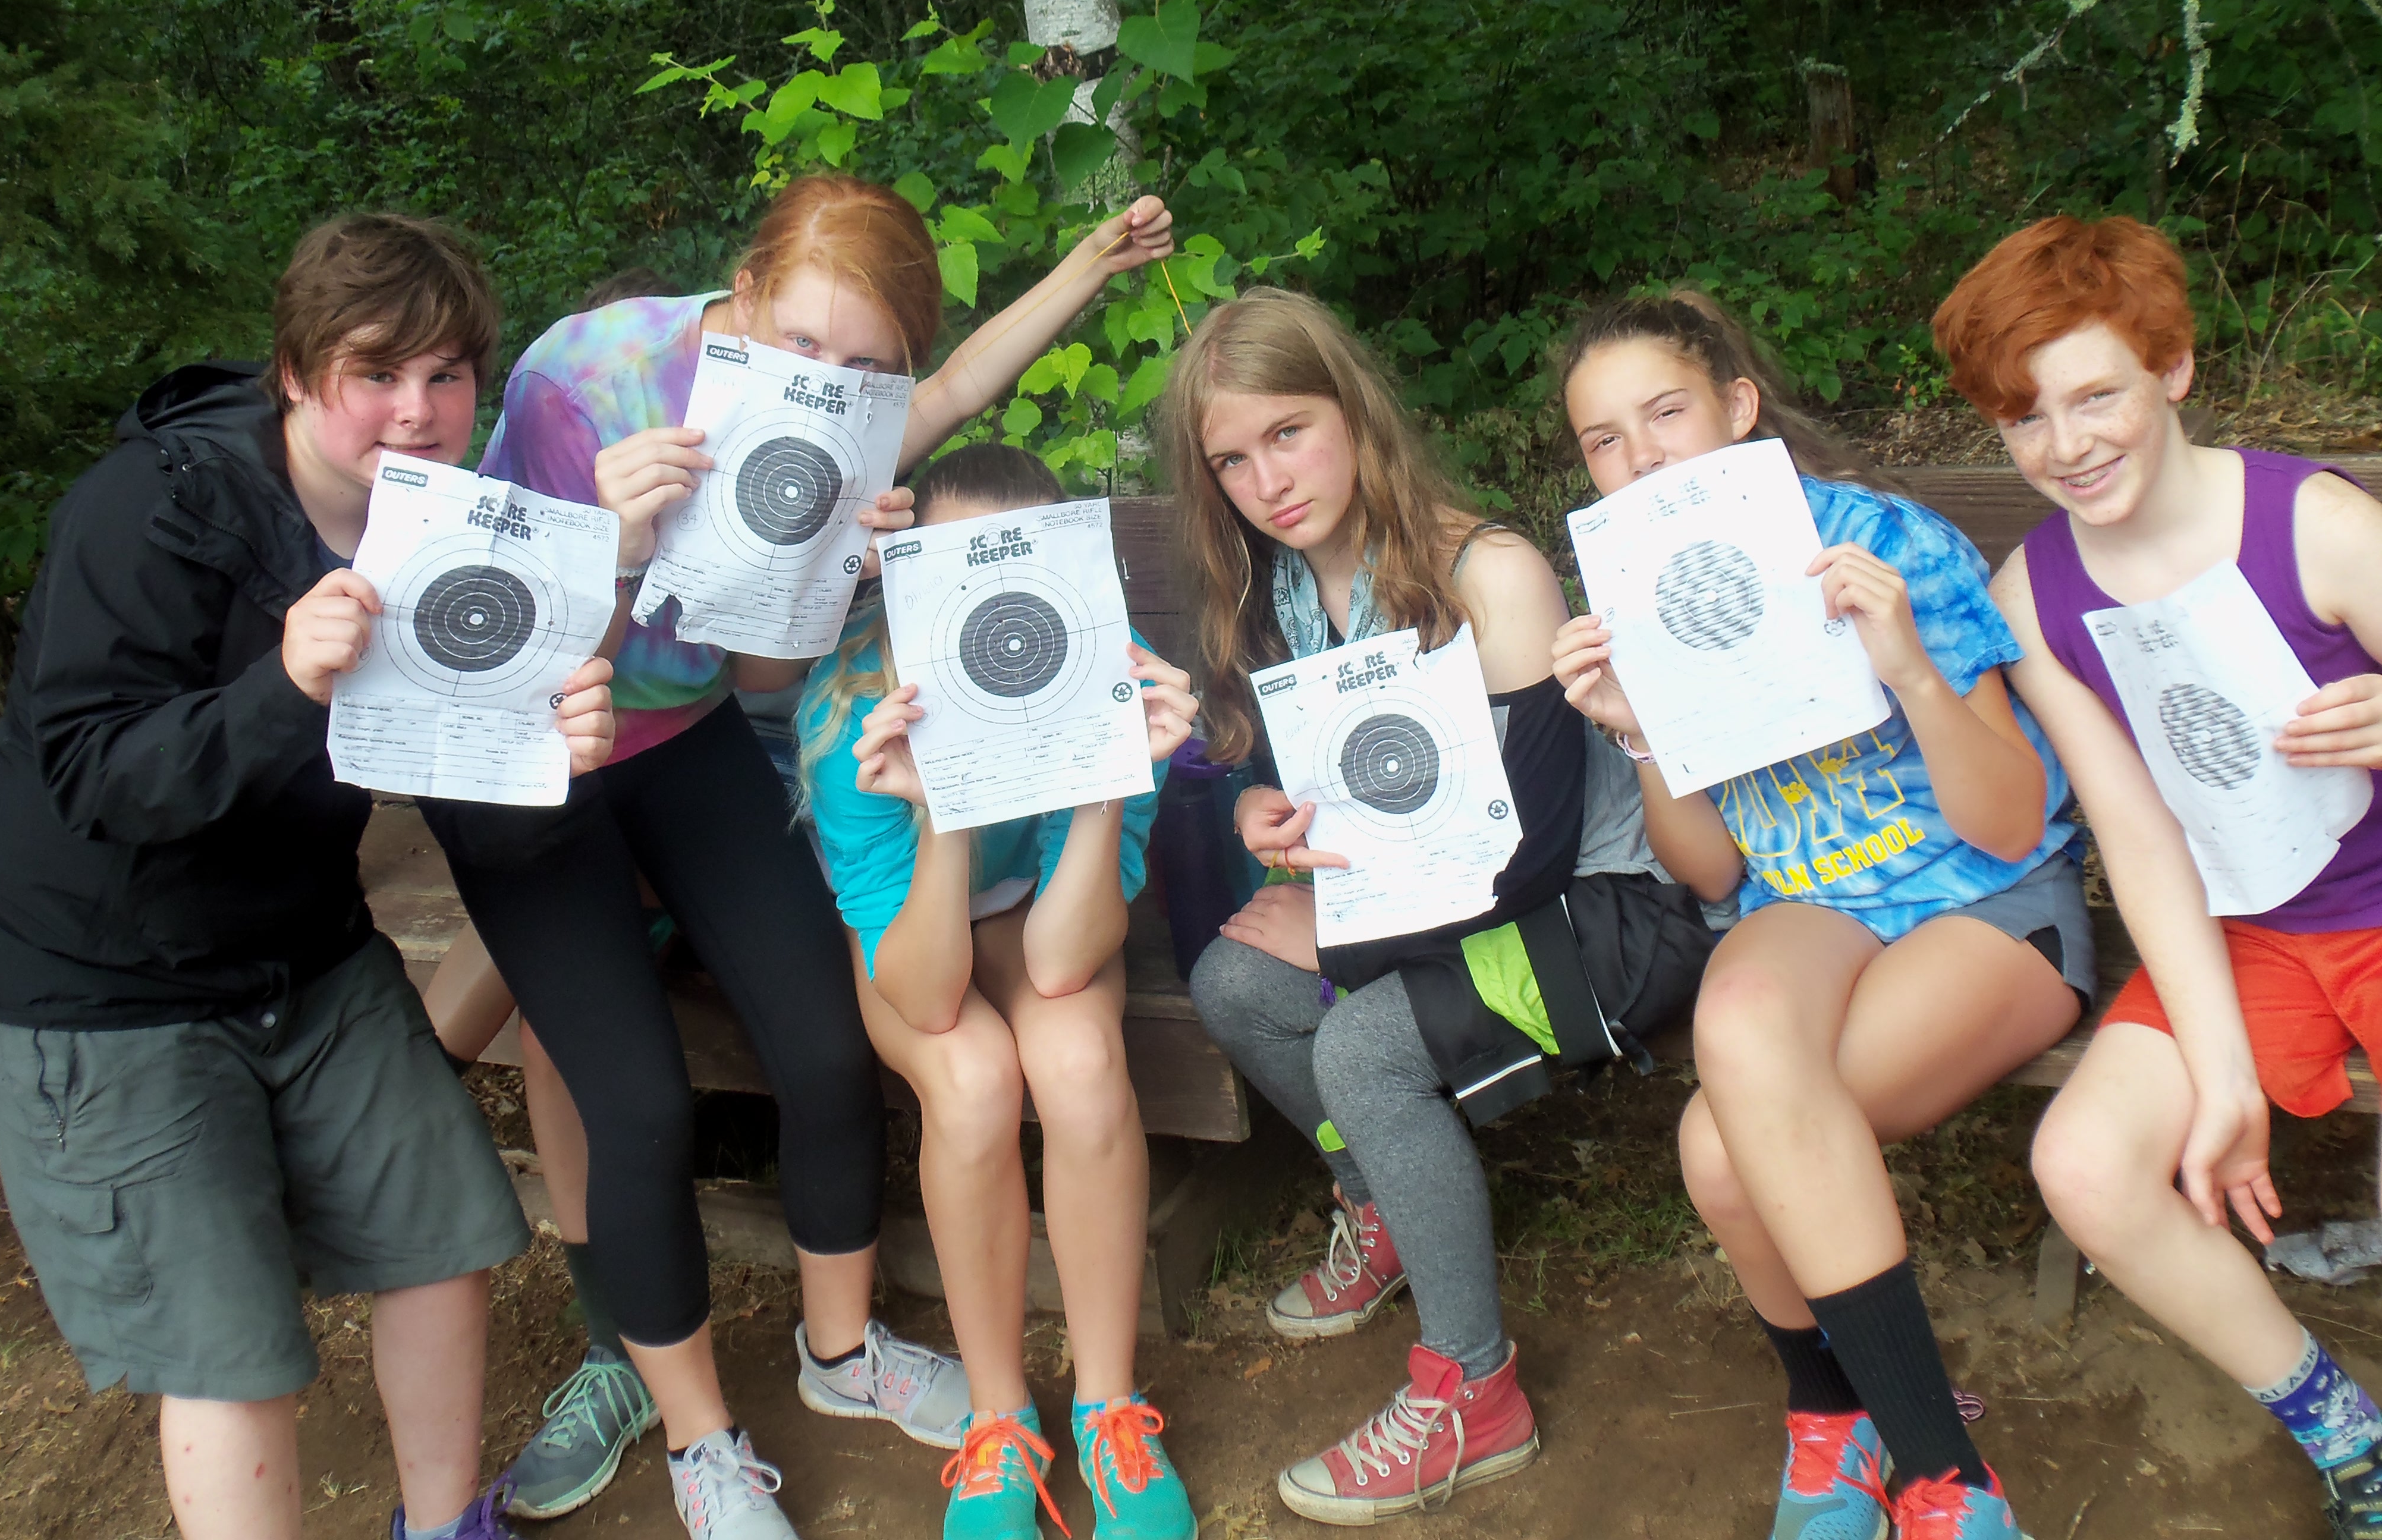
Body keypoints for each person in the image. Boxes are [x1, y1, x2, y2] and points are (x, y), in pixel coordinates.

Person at [418, 172, 1177, 1539]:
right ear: (745, 290)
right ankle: (683, 1422)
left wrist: (1085, 269)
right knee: (620, 1082)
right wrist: (620, 543)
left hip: (689, 738)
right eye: (805, 344)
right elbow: (491, 631)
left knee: (825, 1043)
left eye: (868, 367)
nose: (833, 384)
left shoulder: (850, 410)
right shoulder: (582, 380)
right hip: (540, 734)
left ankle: (843, 1353)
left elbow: (775, 649)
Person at [0, 214, 618, 1540]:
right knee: (230, 1349)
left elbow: (479, 815)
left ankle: (447, 1527)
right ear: (299, 374)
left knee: (444, 1240)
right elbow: (93, 778)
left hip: (300, 947)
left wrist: (554, 757)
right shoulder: (148, 509)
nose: (417, 411)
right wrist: (285, 687)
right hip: (96, 976)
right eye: (378, 373)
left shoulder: (444, 535)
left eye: (446, 376)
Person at [1157, 287, 1715, 1525]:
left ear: (1353, 411)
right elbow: (1329, 787)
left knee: (1359, 1044)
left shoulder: (1489, 573)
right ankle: (1384, 1209)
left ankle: (1473, 1392)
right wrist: (1262, 816)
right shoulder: (1283, 590)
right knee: (1232, 985)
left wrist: (1334, 931)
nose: (1267, 481)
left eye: (1288, 433)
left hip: (1609, 909)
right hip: (1446, 901)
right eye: (1232, 460)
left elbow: (1530, 852)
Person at [1548, 291, 2089, 1540]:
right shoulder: (1642, 592)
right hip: (1812, 908)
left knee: (1720, 1151)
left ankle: (1906, 1454)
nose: (1642, 459)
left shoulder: (1878, 543)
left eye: (1666, 414)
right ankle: (1876, 1440)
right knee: (1737, 1017)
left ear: (1738, 406)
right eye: (1604, 440)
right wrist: (1640, 733)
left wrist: (1902, 663)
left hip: (1986, 900)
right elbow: (1708, 875)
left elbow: (2009, 820)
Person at [1935, 216, 2382, 1537]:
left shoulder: (2316, 525)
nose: (2064, 445)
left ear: (2172, 369)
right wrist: (2223, 1074)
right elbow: (2137, 839)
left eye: (2095, 397)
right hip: (2246, 932)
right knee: (2085, 1163)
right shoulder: (2034, 598)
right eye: (2023, 419)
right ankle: (2344, 1432)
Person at [796, 443, 1199, 1540]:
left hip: (1045, 916)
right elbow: (928, 998)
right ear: (904, 580)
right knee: (971, 1083)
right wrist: (943, 809)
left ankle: (1109, 1409)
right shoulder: (851, 715)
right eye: (953, 568)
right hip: (919, 932)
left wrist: (1113, 772)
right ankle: (998, 1419)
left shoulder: (1112, 669)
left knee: (1079, 1061)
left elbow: (1063, 963)